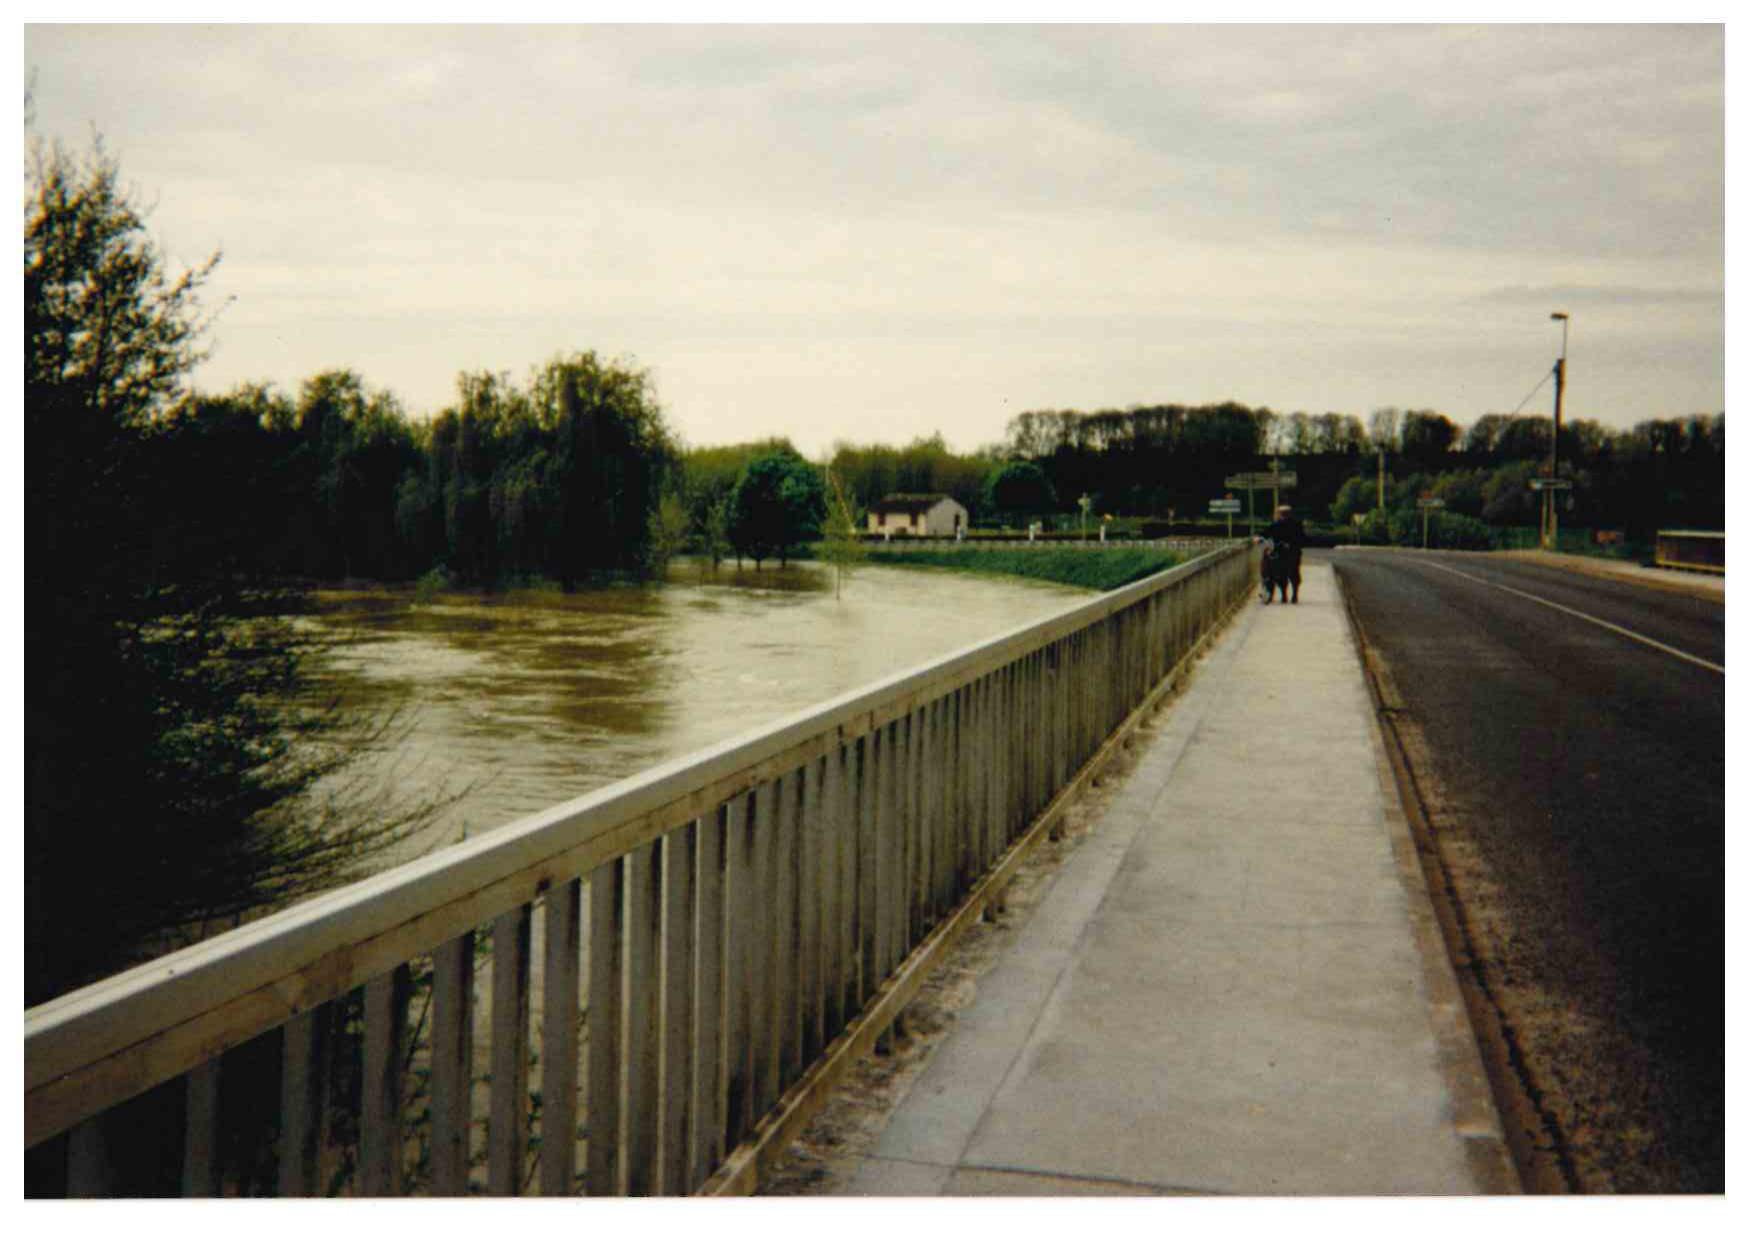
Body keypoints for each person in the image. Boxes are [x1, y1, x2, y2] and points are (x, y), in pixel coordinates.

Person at [1261, 504, 1305, 604]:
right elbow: (1303, 538)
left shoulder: (1276, 524)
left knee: (1281, 574)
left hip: (1280, 552)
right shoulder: (1297, 525)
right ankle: (1294, 595)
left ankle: (1284, 595)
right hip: (1294, 552)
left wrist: (1258, 538)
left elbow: (1265, 534)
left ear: (1279, 514)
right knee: (1294, 572)